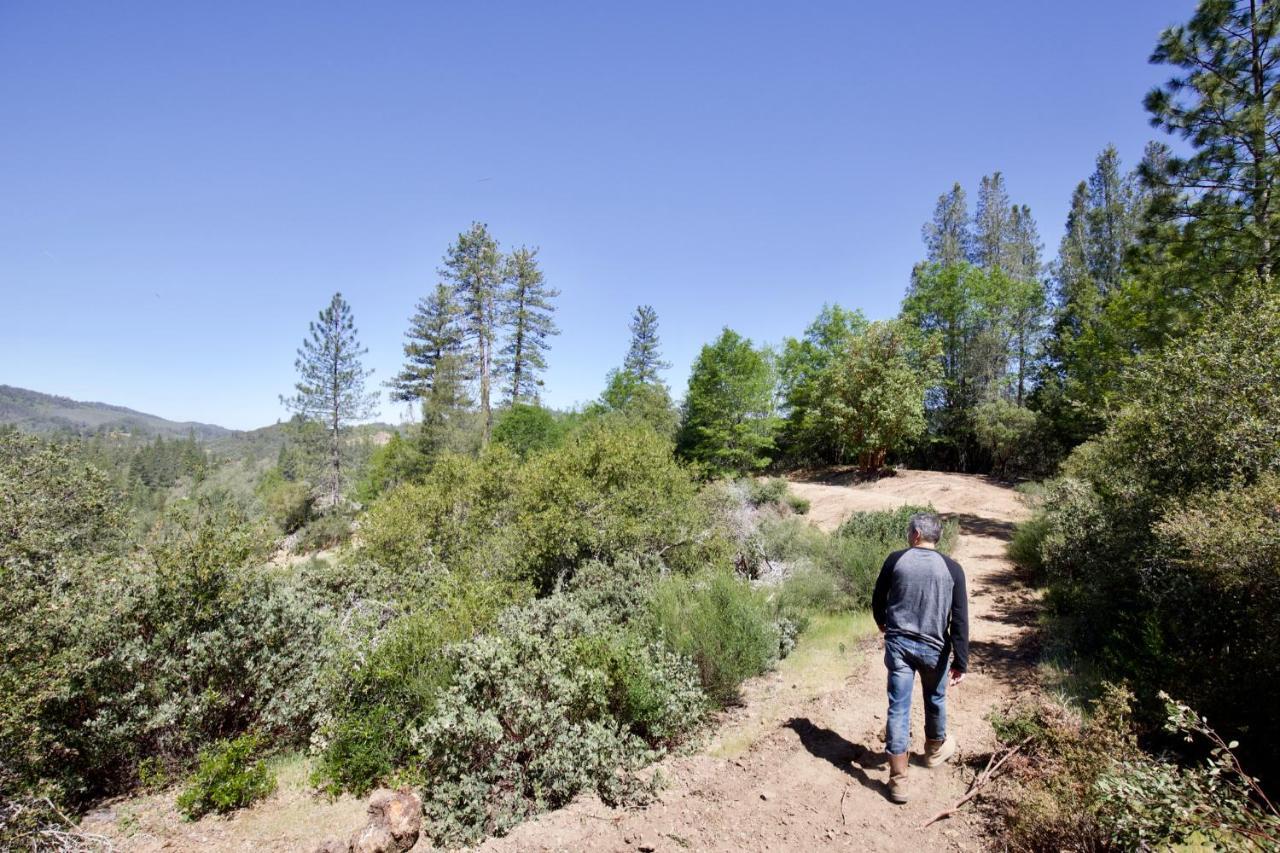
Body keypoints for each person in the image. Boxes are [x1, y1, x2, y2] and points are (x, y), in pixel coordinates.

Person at [871, 512, 969, 804]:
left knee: (898, 708)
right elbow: (960, 618)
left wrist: (882, 623)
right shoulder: (953, 568)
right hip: (934, 648)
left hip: (899, 645)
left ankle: (898, 780)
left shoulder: (896, 559)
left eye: (908, 532)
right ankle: (934, 751)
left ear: (915, 535)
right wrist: (960, 660)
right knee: (935, 699)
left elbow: (878, 598)